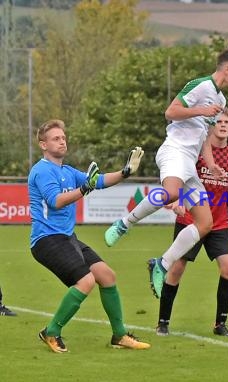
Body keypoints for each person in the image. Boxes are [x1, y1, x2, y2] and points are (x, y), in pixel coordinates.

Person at [103, 48, 228, 299]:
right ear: (227, 68)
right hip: (174, 151)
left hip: (189, 163)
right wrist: (201, 111)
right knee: (171, 193)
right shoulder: (201, 86)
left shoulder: (221, 101)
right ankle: (124, 224)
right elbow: (171, 112)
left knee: (205, 224)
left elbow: (203, 136)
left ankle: (161, 263)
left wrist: (211, 162)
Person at [28, 119, 150, 352]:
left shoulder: (68, 171)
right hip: (46, 240)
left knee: (107, 276)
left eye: (63, 137)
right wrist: (85, 188)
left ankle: (119, 336)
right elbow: (55, 201)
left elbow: (99, 180)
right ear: (43, 145)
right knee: (85, 281)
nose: (62, 141)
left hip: (66, 237)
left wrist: (125, 172)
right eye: (56, 138)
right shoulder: (42, 170)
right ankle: (51, 332)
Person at [156, 108, 228, 337]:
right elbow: (182, 175)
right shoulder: (196, 150)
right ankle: (163, 321)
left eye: (227, 121)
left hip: (219, 221)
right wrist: (180, 201)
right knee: (176, 269)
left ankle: (220, 324)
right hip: (191, 219)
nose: (223, 125)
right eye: (219, 122)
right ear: (211, 125)